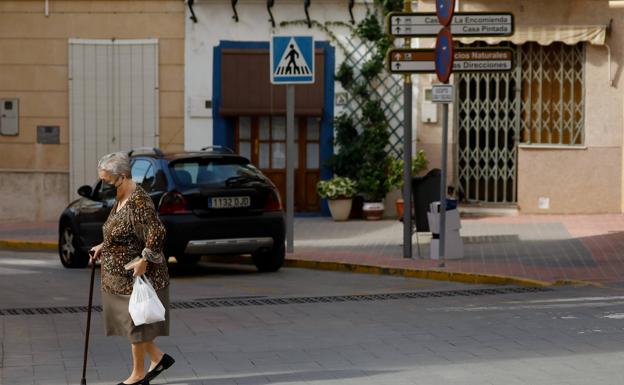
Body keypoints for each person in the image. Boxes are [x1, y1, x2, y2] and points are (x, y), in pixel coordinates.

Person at [89, 152, 175, 385]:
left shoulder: (139, 200)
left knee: (135, 324)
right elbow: (119, 231)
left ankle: (138, 375)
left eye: (107, 180)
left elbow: (157, 232)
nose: (104, 185)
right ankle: (158, 359)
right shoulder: (121, 196)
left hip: (134, 274)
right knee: (130, 323)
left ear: (123, 176)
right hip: (116, 276)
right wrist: (102, 246)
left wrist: (144, 259)